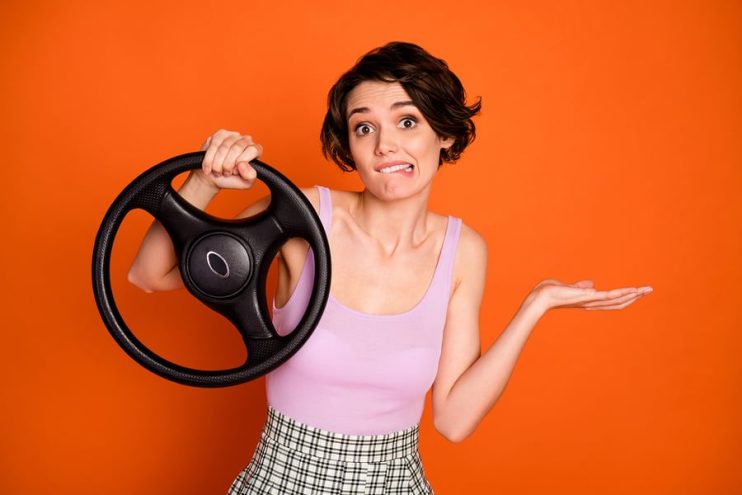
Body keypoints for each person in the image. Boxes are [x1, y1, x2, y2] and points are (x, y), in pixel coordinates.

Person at [128, 41, 652, 495]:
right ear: (349, 147)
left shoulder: (462, 249)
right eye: (364, 128)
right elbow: (149, 275)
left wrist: (535, 305)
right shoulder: (303, 218)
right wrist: (204, 179)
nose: (386, 146)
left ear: (444, 135)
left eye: (407, 121)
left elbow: (453, 419)